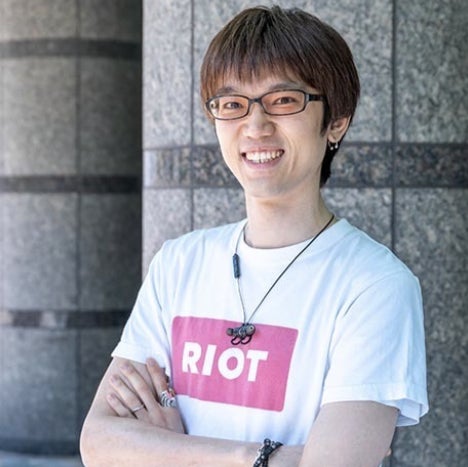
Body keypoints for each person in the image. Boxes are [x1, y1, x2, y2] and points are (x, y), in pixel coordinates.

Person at [80, 6, 428, 466]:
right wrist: (261, 457)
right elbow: (98, 442)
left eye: (283, 100)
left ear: (336, 121)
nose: (255, 125)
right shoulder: (178, 263)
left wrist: (165, 450)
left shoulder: (375, 285)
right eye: (232, 104)